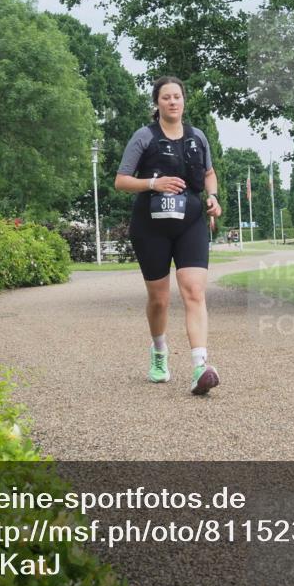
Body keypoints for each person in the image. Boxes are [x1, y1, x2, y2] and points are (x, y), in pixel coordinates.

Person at [114, 76, 222, 395]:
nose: (173, 102)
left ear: (184, 101)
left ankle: (200, 366)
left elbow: (208, 173)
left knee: (193, 292)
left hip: (190, 223)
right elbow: (120, 181)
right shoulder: (144, 137)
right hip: (151, 227)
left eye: (177, 97)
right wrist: (153, 184)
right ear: (157, 103)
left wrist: (213, 197)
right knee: (159, 299)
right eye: (166, 97)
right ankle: (159, 351)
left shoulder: (198, 137)